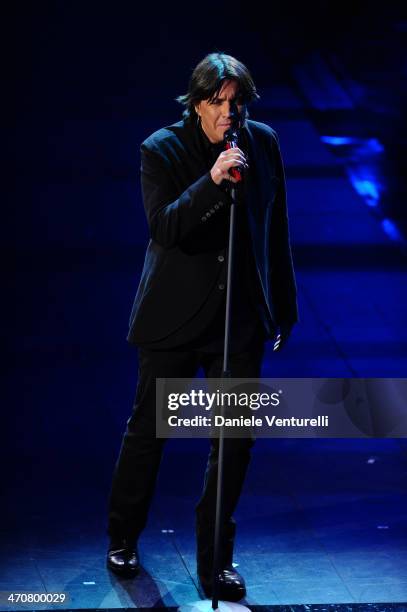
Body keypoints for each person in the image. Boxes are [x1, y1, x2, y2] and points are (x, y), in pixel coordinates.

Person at [106, 52, 298, 602]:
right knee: (150, 431)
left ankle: (216, 560)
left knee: (234, 440)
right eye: (217, 103)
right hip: (174, 316)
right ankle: (123, 534)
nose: (228, 114)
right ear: (196, 103)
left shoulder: (262, 143)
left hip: (237, 318)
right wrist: (213, 180)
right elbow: (165, 228)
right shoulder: (161, 149)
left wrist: (282, 305)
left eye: (236, 103)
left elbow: (273, 226)